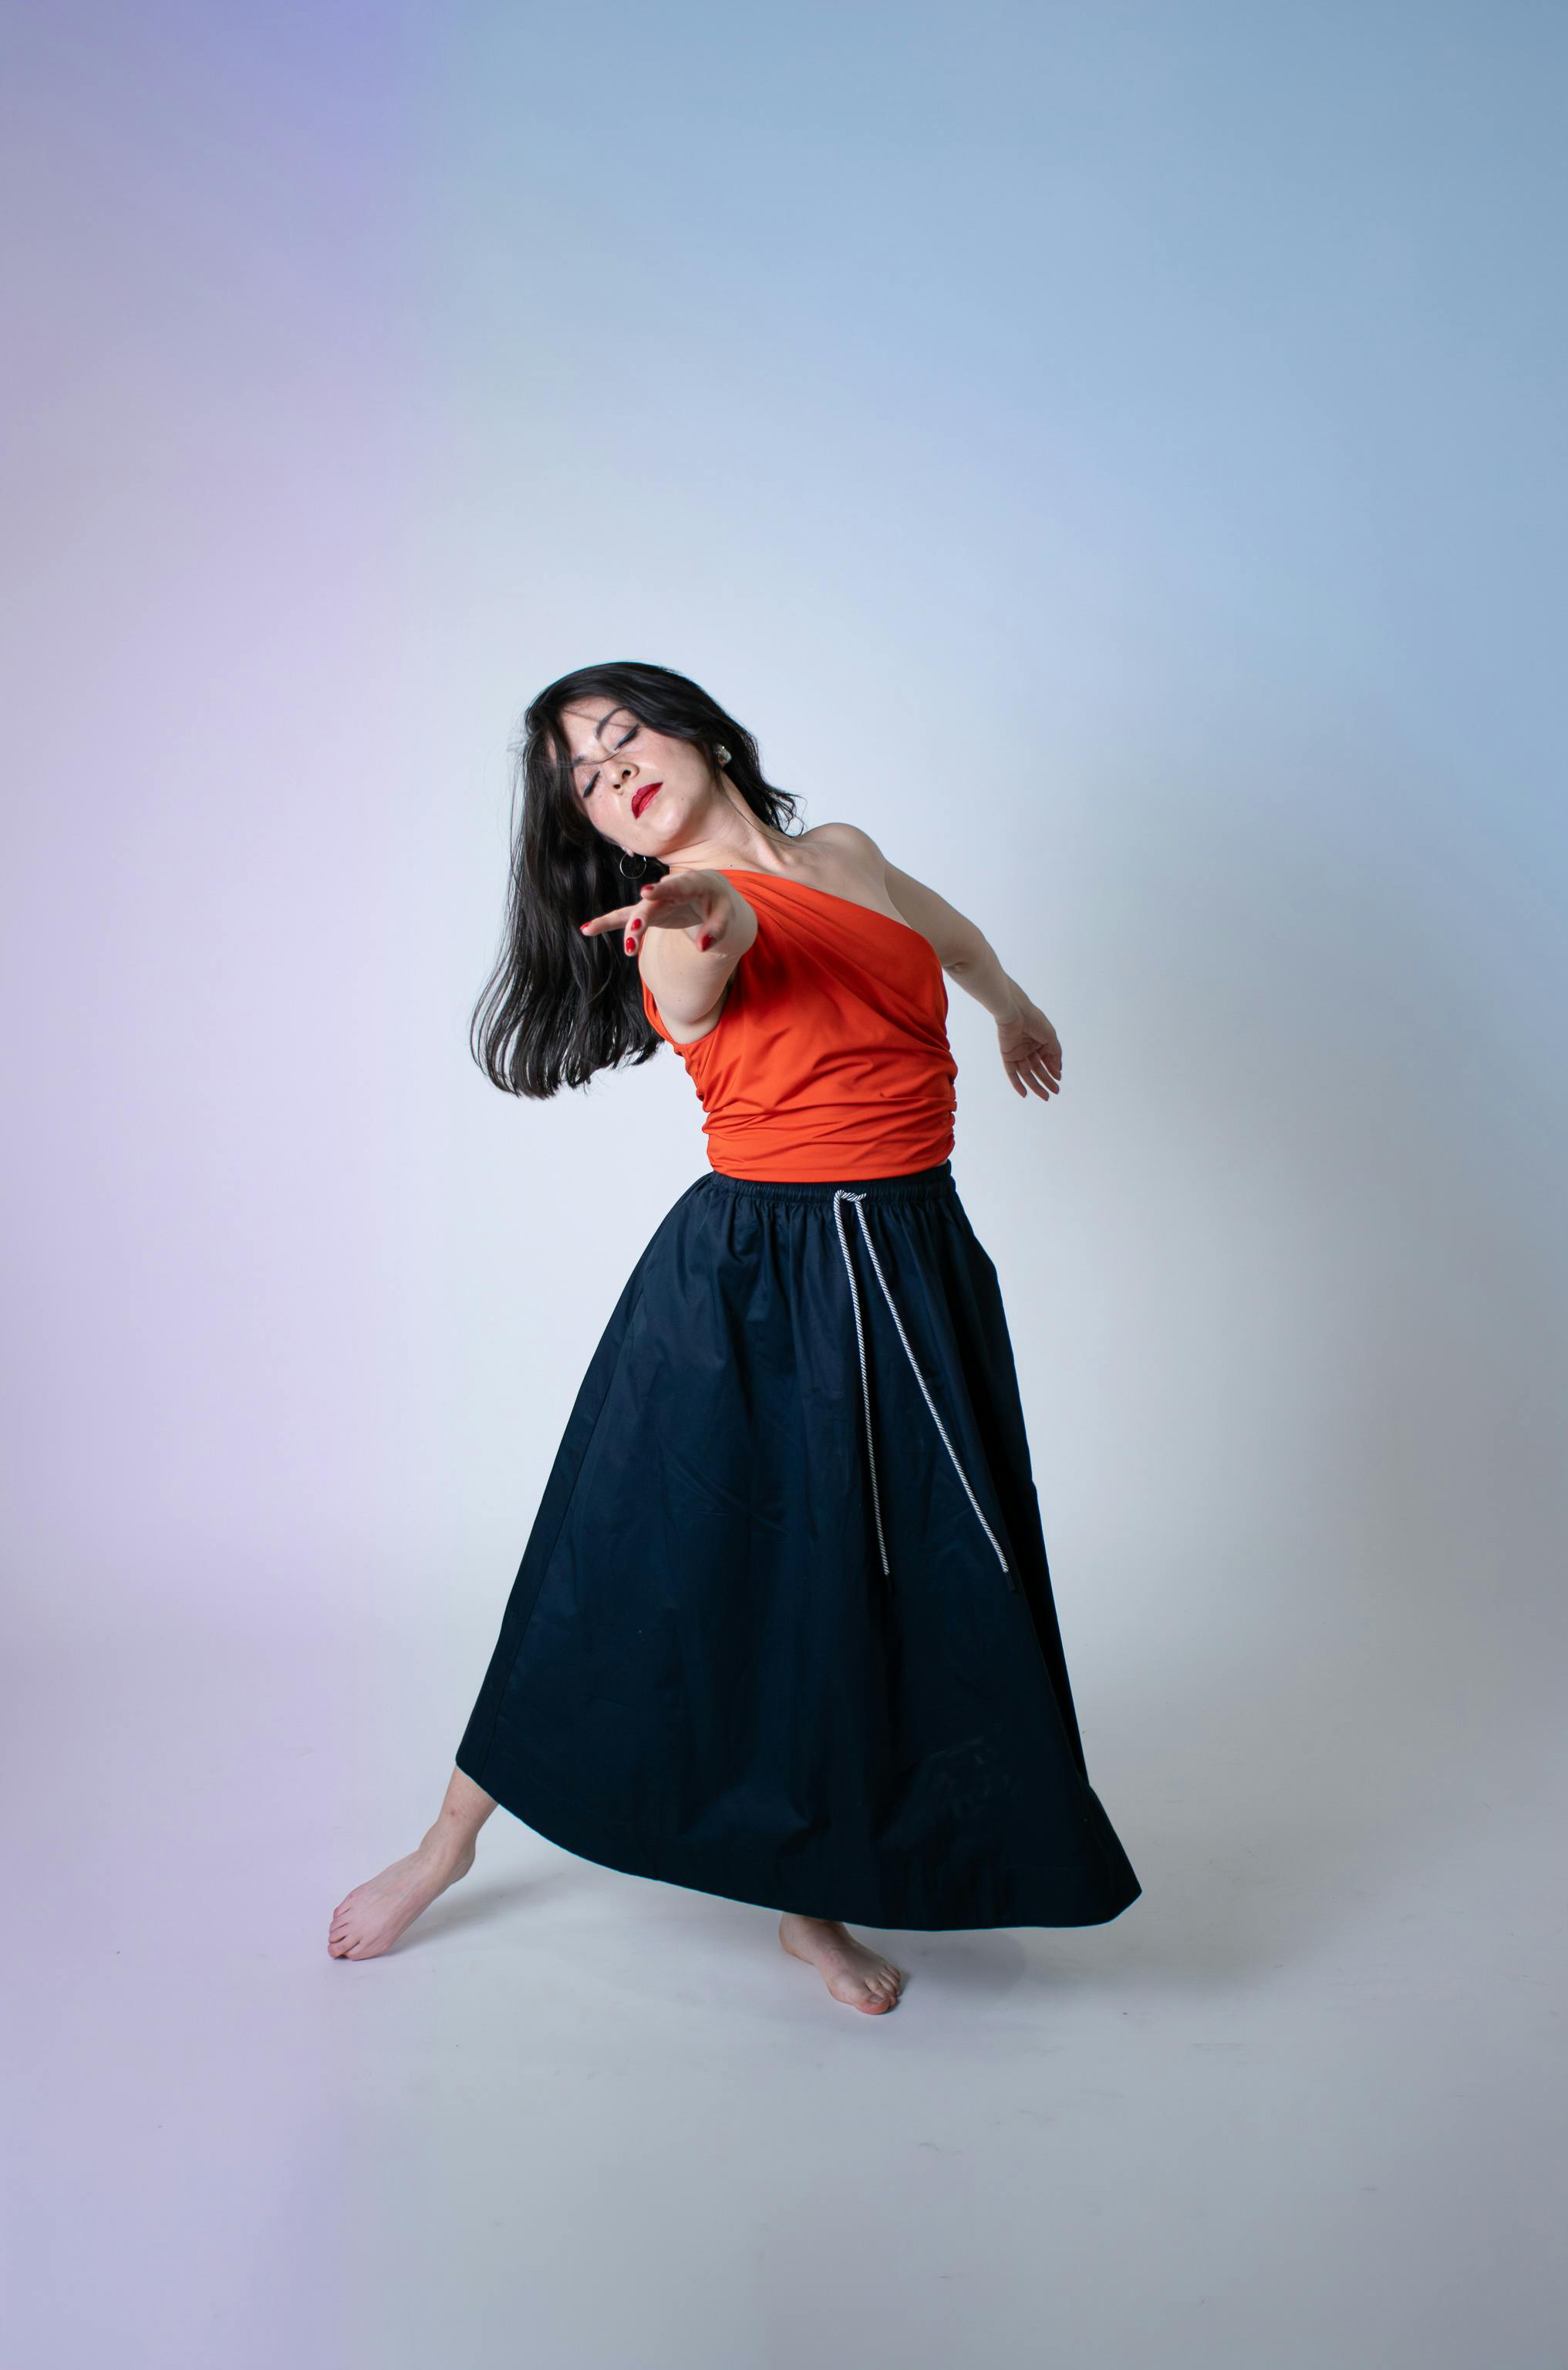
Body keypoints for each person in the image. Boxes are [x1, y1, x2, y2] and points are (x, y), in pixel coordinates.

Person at [329, 660, 1141, 2011]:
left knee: (858, 1584)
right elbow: (705, 968)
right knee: (609, 1556)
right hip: (762, 1273)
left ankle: (808, 1902)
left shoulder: (847, 855)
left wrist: (1010, 1005)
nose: (611, 778)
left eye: (622, 741)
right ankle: (448, 1842)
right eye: (585, 782)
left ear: (700, 734)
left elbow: (950, 940)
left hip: (912, 1253)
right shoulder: (675, 918)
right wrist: (704, 915)